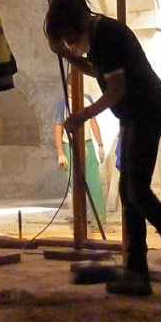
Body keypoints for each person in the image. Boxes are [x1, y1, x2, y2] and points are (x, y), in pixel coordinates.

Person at [45, 0, 161, 295]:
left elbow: (115, 90)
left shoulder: (106, 35)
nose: (69, 43)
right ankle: (136, 272)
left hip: (146, 111)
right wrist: (69, 57)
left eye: (67, 38)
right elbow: (99, 71)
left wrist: (81, 116)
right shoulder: (99, 34)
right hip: (135, 115)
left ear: (75, 24)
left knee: (137, 191)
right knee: (129, 190)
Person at [53, 78, 107, 226]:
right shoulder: (62, 104)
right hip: (69, 147)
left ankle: (99, 223)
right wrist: (60, 154)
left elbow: (93, 122)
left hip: (87, 145)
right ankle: (80, 223)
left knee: (94, 184)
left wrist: (100, 144)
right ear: (69, 86)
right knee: (76, 186)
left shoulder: (87, 99)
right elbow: (58, 130)